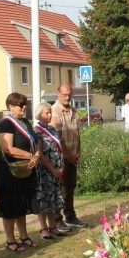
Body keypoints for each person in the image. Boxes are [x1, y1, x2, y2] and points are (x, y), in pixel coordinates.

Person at [0, 93, 40, 252]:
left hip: (25, 169)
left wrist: (37, 154)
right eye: (20, 105)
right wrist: (31, 156)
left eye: (25, 104)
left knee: (22, 205)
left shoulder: (25, 122)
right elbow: (8, 149)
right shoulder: (6, 124)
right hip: (10, 172)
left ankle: (24, 236)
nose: (24, 107)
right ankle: (10, 240)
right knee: (10, 206)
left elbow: (36, 140)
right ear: (11, 107)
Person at [50, 84, 88, 228]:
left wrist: (78, 152)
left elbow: (77, 134)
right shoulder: (54, 112)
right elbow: (57, 138)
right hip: (60, 158)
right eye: (64, 95)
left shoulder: (73, 111)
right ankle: (57, 219)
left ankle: (70, 216)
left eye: (69, 94)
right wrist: (67, 155)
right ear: (58, 93)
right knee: (59, 188)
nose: (67, 97)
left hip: (72, 156)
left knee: (70, 187)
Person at [33, 102, 68, 240]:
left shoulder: (52, 129)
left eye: (50, 113)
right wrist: (53, 169)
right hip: (45, 171)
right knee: (43, 199)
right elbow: (39, 154)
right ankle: (43, 228)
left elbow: (59, 148)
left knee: (53, 199)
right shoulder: (36, 132)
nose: (49, 115)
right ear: (39, 114)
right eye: (46, 113)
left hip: (56, 170)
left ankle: (53, 226)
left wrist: (61, 167)